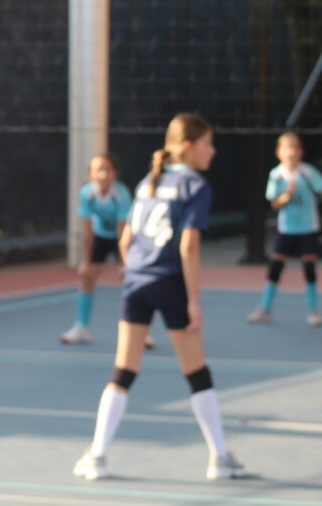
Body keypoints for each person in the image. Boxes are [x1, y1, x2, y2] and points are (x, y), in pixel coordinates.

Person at [72, 113, 245, 481]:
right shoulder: (195, 186)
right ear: (189, 146)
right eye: (208, 144)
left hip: (137, 280)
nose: (212, 151)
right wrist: (193, 302)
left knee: (123, 371)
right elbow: (189, 247)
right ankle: (220, 457)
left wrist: (133, 270)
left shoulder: (149, 181)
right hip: (169, 281)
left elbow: (125, 239)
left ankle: (97, 456)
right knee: (197, 372)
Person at [60, 154, 155, 349]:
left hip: (125, 236)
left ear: (115, 174)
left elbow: (123, 233)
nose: (103, 174)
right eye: (99, 170)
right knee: (87, 278)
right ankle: (82, 327)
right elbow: (87, 232)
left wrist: (125, 264)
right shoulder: (86, 193)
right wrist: (86, 262)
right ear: (91, 174)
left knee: (133, 282)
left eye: (108, 170)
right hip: (100, 236)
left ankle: (142, 332)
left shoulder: (122, 194)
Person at [247, 131, 322, 326]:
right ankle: (265, 308)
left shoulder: (308, 173)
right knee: (275, 267)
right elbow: (273, 203)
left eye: (294, 148)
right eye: (287, 148)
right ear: (279, 152)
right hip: (286, 229)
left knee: (309, 269)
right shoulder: (276, 175)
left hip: (308, 228)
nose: (291, 152)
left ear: (300, 152)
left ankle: (313, 311)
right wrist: (286, 196)